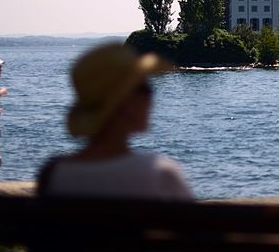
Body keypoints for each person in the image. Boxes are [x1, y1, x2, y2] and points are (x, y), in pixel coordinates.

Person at [37, 43, 193, 199]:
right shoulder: (159, 174)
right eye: (145, 88)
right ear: (127, 103)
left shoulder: (55, 175)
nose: (151, 97)